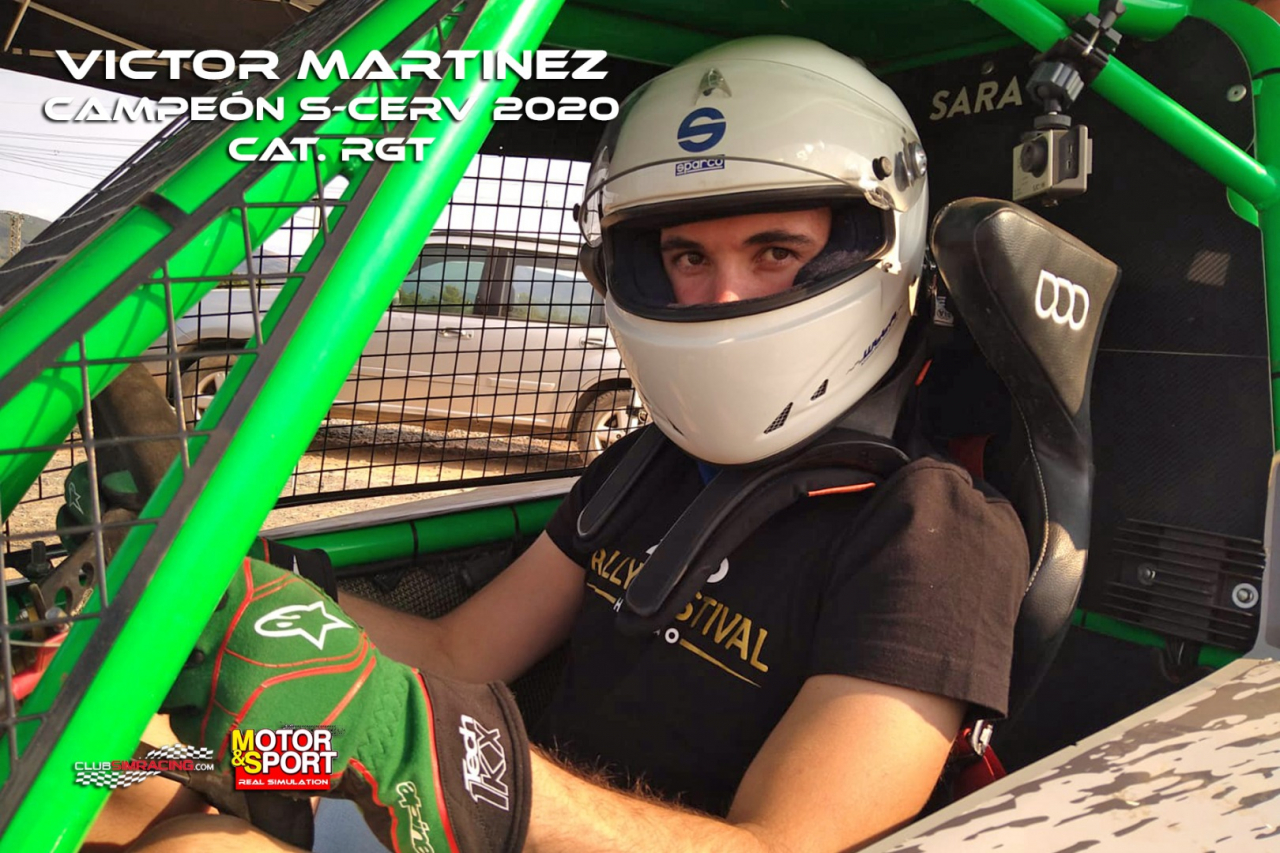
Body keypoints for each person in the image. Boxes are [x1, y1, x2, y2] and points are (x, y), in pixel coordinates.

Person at [110, 34, 1028, 853]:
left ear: (873, 250)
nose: (720, 298)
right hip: (462, 805)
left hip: (489, 805)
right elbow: (458, 654)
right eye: (688, 256)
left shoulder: (933, 530)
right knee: (115, 768)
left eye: (775, 251)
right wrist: (238, 580)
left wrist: (434, 755)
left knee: (199, 847)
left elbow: (785, 844)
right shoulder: (644, 467)